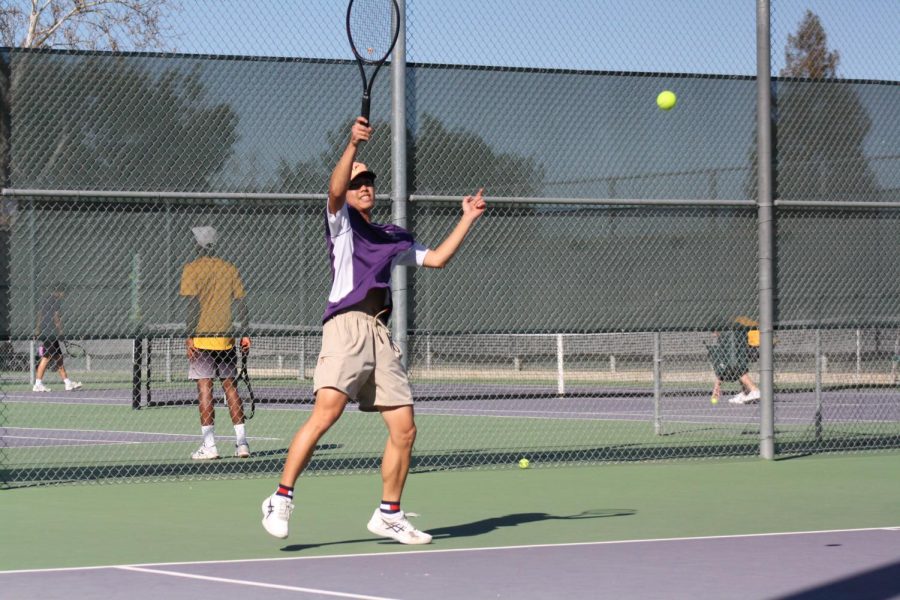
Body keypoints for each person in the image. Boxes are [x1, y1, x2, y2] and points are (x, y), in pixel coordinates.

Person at [261, 116, 487, 544]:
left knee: (405, 428)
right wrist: (351, 145)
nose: (365, 187)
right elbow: (332, 190)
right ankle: (281, 496)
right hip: (344, 329)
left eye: (370, 182)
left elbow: (437, 259)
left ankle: (389, 513)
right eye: (358, 182)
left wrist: (468, 218)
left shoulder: (391, 237)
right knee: (326, 414)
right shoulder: (341, 223)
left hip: (380, 335)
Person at [180, 226, 252, 460]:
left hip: (202, 337)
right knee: (230, 387)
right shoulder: (229, 268)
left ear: (197, 245)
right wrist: (245, 332)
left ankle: (210, 447)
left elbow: (192, 304)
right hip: (227, 338)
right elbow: (241, 302)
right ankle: (242, 445)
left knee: (205, 388)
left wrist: (189, 335)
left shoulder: (191, 269)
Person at [32, 283, 82, 392]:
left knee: (58, 357)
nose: (64, 296)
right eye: (64, 293)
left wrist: (38, 329)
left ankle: (67, 383)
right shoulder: (56, 301)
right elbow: (56, 318)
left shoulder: (44, 299)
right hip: (50, 332)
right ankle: (38, 384)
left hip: (46, 332)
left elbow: (40, 315)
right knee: (46, 357)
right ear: (60, 291)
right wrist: (61, 332)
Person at [708, 317, 760, 405]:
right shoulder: (728, 334)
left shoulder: (730, 335)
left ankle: (754, 390)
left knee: (736, 366)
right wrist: (717, 387)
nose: (713, 335)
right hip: (752, 346)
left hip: (759, 344)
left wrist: (717, 386)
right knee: (735, 365)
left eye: (713, 332)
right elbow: (723, 364)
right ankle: (746, 392)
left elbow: (730, 363)